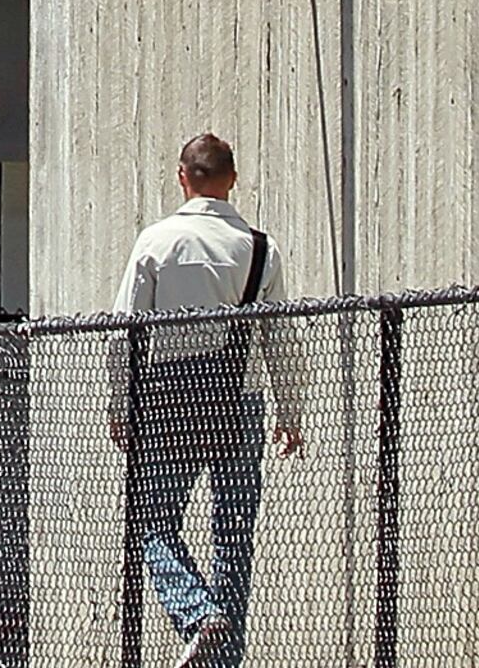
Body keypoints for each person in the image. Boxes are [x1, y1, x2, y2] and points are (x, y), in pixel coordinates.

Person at [112, 133, 304, 668]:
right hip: (239, 402)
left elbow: (123, 331)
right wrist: (289, 412)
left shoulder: (156, 242)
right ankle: (226, 656)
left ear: (182, 176)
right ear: (233, 179)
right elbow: (281, 340)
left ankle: (197, 613)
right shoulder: (260, 250)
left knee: (153, 520)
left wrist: (119, 404)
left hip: (170, 397)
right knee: (234, 534)